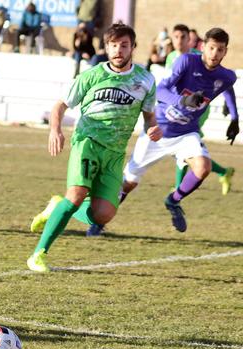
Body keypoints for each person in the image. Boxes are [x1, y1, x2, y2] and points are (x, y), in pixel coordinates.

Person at [27, 23, 161, 272]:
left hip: (115, 152)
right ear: (107, 48)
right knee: (76, 195)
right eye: (113, 45)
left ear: (133, 47)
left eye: (124, 45)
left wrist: (154, 128)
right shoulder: (91, 75)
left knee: (103, 214)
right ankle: (38, 254)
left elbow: (150, 117)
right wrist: (55, 130)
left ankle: (57, 206)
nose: (119, 50)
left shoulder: (145, 80)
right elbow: (60, 106)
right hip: (87, 142)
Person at [113, 28, 238, 233]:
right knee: (128, 183)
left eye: (220, 50)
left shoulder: (226, 75)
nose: (215, 53)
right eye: (212, 48)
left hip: (186, 133)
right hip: (158, 130)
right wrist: (182, 100)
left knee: (203, 167)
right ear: (203, 47)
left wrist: (234, 117)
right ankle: (99, 221)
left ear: (225, 52)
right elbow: (160, 90)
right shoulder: (187, 62)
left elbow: (228, 86)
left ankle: (173, 200)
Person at [165, 24, 235, 197]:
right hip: (176, 108)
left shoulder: (200, 58)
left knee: (184, 146)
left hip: (196, 110)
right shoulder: (172, 57)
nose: (179, 41)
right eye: (176, 37)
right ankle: (223, 172)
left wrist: (232, 112)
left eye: (183, 37)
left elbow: (223, 82)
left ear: (191, 40)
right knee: (187, 152)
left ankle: (178, 189)